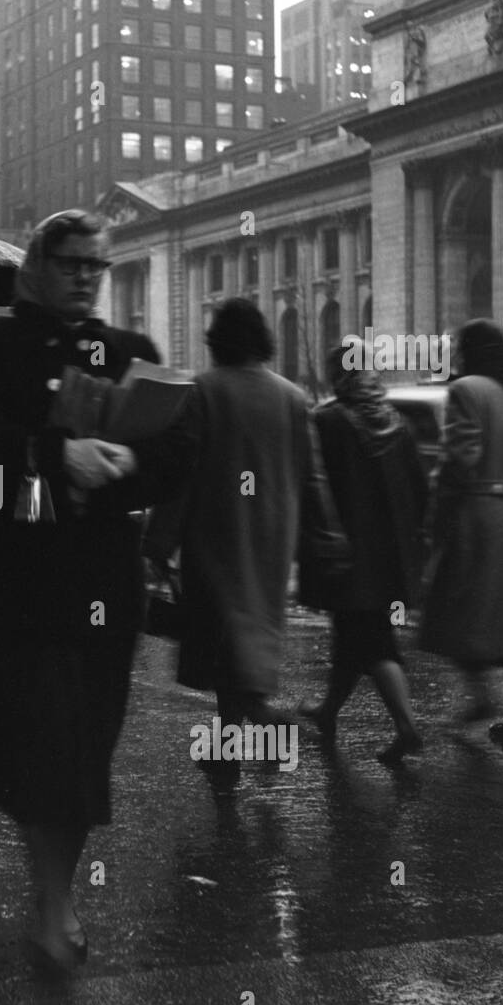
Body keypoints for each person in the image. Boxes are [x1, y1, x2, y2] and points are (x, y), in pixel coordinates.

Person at [0, 211, 165, 966]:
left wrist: (131, 462)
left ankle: (55, 890)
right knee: (46, 744)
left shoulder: (132, 352)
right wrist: (50, 453)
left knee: (85, 749)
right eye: (71, 261)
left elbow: (173, 460)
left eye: (96, 265)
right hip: (21, 582)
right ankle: (53, 901)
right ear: (38, 263)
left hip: (106, 578)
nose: (84, 276)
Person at [158, 298, 345, 733]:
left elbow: (180, 473)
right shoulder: (293, 397)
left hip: (215, 533)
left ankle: (263, 720)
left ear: (217, 341)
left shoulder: (201, 390)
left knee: (223, 638)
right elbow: (312, 477)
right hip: (271, 535)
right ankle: (235, 734)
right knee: (250, 636)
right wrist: (326, 534)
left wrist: (159, 541)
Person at [419, 319, 503, 745]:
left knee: (457, 603)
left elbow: (461, 456)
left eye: (458, 346)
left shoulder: (465, 390)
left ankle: (478, 696)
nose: (454, 354)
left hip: (479, 512)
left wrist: (438, 508)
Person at [299, 349, 429, 766]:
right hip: (390, 559)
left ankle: (406, 727)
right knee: (353, 637)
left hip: (349, 556)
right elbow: (420, 489)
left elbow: (314, 487)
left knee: (373, 644)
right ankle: (328, 710)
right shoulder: (398, 424)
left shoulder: (327, 420)